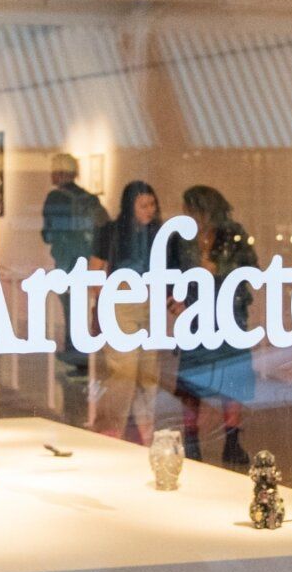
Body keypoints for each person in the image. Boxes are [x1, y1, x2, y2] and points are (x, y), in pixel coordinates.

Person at [173, 184, 258, 468]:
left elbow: (251, 268)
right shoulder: (181, 237)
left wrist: (219, 269)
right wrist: (173, 299)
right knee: (191, 380)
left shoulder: (234, 234)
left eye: (193, 210)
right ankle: (192, 441)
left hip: (229, 314)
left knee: (231, 380)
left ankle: (232, 441)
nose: (190, 215)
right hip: (195, 315)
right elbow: (169, 272)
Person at [91, 180, 178, 443]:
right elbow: (95, 270)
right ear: (131, 206)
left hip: (150, 300)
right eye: (143, 205)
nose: (149, 210)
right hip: (122, 300)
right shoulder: (112, 231)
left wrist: (170, 300)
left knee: (149, 372)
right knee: (124, 370)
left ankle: (148, 433)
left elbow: (169, 272)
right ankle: (111, 430)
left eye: (152, 204)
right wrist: (104, 301)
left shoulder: (161, 235)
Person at [40, 154, 106, 395]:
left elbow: (48, 233)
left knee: (71, 309)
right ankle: (81, 356)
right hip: (90, 260)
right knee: (81, 309)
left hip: (68, 262)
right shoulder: (89, 198)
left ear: (58, 173)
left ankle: (78, 357)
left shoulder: (55, 198)